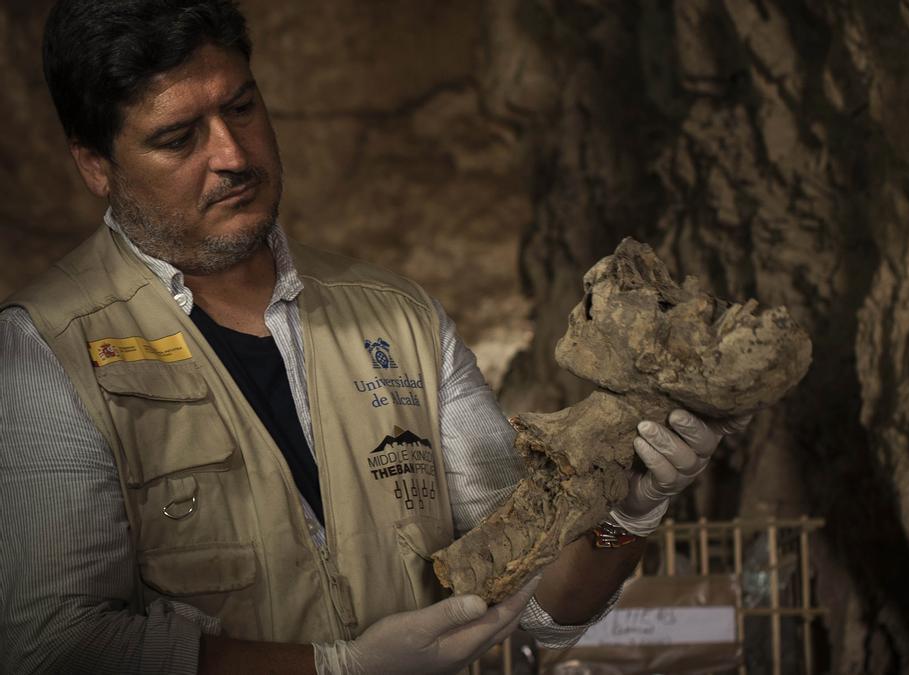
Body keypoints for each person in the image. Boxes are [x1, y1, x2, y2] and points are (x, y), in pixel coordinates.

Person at [0, 1, 745, 673]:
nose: (231, 154)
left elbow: (544, 610)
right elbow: (56, 646)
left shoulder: (402, 319)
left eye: (242, 106)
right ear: (97, 166)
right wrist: (334, 670)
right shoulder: (47, 351)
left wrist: (630, 510)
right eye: (177, 138)